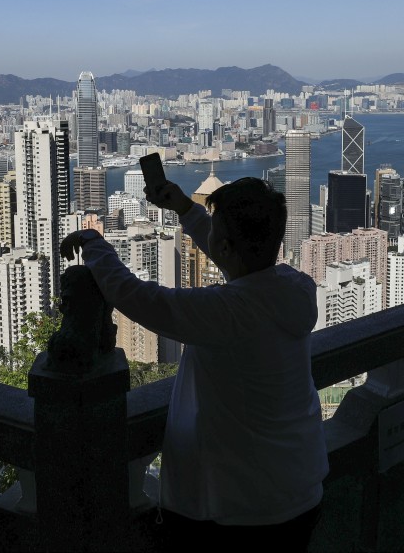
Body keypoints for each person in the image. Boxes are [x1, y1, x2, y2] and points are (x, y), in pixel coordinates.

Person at [60, 177, 328, 549]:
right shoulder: (293, 286)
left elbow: (137, 297)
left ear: (225, 244)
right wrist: (186, 209)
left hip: (241, 512)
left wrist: (93, 244)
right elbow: (232, 252)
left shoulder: (231, 312)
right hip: (299, 489)